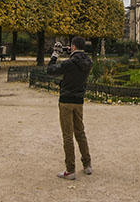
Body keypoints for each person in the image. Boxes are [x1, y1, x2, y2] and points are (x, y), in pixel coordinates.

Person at [46, 36, 93, 180]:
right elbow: (78, 58)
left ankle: (70, 170)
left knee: (68, 135)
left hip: (66, 100)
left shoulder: (69, 63)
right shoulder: (88, 61)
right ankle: (87, 165)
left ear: (73, 46)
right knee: (80, 132)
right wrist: (68, 51)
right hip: (79, 101)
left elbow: (51, 70)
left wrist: (55, 55)